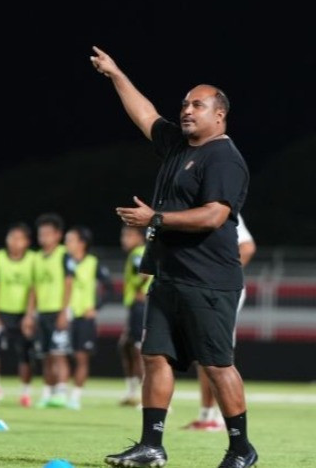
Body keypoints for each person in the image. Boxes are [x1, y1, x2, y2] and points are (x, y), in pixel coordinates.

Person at [92, 46, 258, 468]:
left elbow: (215, 215)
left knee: (217, 366)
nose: (186, 110)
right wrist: (116, 74)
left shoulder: (224, 157)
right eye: (184, 104)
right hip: (169, 275)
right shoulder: (179, 147)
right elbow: (145, 114)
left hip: (209, 280)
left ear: (219, 115)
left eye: (197, 105)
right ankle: (152, 445)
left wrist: (156, 218)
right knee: (154, 356)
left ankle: (241, 449)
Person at [184, 215, 256, 431]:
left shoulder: (220, 209)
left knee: (217, 354)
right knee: (204, 353)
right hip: (202, 288)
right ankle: (207, 415)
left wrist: (221, 275)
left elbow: (247, 247)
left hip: (219, 289)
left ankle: (222, 418)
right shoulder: (196, 209)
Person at [0, 222, 37, 407]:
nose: (14, 242)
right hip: (2, 313)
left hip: (23, 314)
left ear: (27, 242)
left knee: (26, 354)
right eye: (11, 237)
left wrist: (29, 315)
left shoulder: (34, 260)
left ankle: (26, 393)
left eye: (19, 238)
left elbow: (34, 289)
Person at [61, 225, 114, 410]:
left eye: (70, 240)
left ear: (82, 243)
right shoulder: (63, 261)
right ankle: (60, 393)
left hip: (84, 318)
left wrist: (95, 307)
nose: (66, 244)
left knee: (81, 357)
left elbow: (109, 288)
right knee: (60, 355)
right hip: (65, 316)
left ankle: (75, 397)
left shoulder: (93, 262)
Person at [31, 213, 72, 408]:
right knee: (45, 355)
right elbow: (33, 287)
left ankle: (62, 393)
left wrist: (64, 311)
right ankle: (47, 393)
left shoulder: (64, 255)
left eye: (48, 233)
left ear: (58, 235)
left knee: (59, 354)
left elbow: (69, 283)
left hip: (58, 311)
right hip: (42, 312)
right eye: (41, 234)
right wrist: (30, 314)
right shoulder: (36, 258)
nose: (43, 237)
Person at [117, 225, 152, 407]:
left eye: (129, 235)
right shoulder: (138, 252)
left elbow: (144, 273)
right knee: (126, 345)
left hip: (140, 305)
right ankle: (132, 392)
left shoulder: (138, 253)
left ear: (139, 237)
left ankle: (145, 395)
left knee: (139, 349)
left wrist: (139, 289)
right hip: (136, 305)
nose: (124, 239)